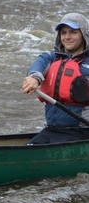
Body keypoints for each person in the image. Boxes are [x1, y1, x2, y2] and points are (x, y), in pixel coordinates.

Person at [22, 13, 89, 144]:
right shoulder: (51, 57)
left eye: (73, 32)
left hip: (82, 132)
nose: (67, 37)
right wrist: (34, 78)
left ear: (84, 34)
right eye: (63, 33)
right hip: (53, 130)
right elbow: (38, 67)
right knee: (29, 147)